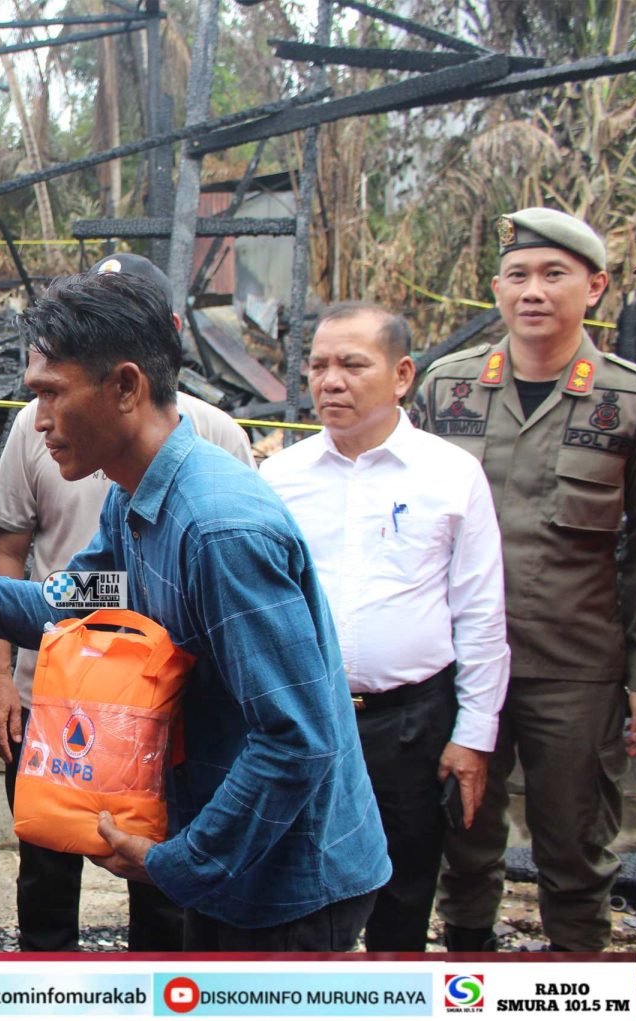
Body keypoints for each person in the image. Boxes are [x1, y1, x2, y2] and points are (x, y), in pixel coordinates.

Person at [0, 270, 390, 951]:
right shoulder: (134, 499)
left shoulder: (219, 532)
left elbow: (294, 738)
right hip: (226, 859)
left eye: (51, 393)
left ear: (125, 387)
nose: (38, 419)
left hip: (286, 884)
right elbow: (66, 607)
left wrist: (178, 862)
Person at [0, 252, 253, 952]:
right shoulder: (46, 424)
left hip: (161, 702)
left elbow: (291, 728)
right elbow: (22, 558)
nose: (45, 411)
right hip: (64, 687)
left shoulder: (214, 455)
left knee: (159, 880)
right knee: (46, 859)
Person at [415, 208, 636, 952]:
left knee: (574, 844)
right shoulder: (447, 390)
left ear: (596, 286)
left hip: (572, 666)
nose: (533, 292)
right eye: (518, 275)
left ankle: (575, 977)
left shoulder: (626, 401)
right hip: (458, 662)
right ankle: (468, 969)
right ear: (497, 289)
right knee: (463, 834)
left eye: (554, 274)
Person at [260, 301, 510, 952]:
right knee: (299, 887)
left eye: (351, 364)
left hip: (409, 722)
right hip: (306, 719)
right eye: (317, 365)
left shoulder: (450, 475)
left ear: (402, 375)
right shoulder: (279, 479)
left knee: (403, 894)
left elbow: (481, 614)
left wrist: (473, 736)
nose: (329, 381)